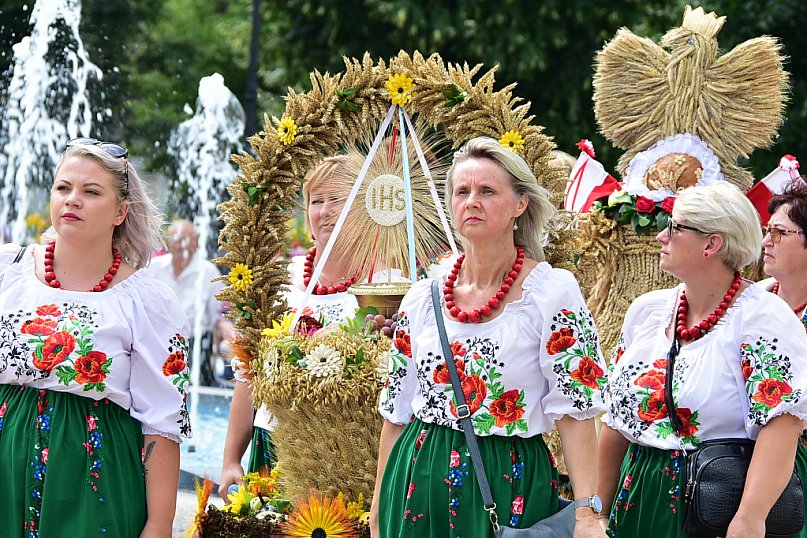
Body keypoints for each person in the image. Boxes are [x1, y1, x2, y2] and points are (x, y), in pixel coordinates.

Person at [371, 136, 608, 537]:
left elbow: (576, 413)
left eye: (487, 191)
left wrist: (586, 514)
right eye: (462, 191)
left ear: (520, 204)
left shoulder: (552, 293)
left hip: (509, 480)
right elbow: (397, 411)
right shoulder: (422, 297)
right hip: (415, 480)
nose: (472, 201)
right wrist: (379, 505)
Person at [0, 138, 191, 537]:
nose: (72, 200)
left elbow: (162, 424)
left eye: (91, 192)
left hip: (94, 481)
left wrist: (159, 525)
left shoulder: (145, 301)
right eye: (63, 188)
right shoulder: (7, 271)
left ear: (121, 212)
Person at [599, 181, 807, 538]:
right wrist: (594, 513)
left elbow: (782, 423)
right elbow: (615, 424)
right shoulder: (647, 312)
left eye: (676, 228)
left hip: (716, 504)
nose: (661, 237)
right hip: (639, 499)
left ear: (712, 244)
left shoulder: (763, 317)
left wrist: (749, 519)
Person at [219, 154, 368, 500]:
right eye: (317, 201)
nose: (326, 211)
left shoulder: (384, 284)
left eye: (339, 199)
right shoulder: (279, 281)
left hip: (354, 450)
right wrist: (231, 460)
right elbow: (248, 372)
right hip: (277, 444)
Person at [755, 180, 807, 538]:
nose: (765, 241)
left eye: (779, 232)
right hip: (744, 461)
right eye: (766, 230)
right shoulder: (752, 302)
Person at [147, 219, 231, 386]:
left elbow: (220, 315)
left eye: (186, 240)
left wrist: (229, 331)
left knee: (196, 392)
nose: (181, 246)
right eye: (176, 240)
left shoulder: (208, 272)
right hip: (157, 342)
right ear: (169, 243)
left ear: (197, 243)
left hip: (195, 345)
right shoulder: (153, 267)